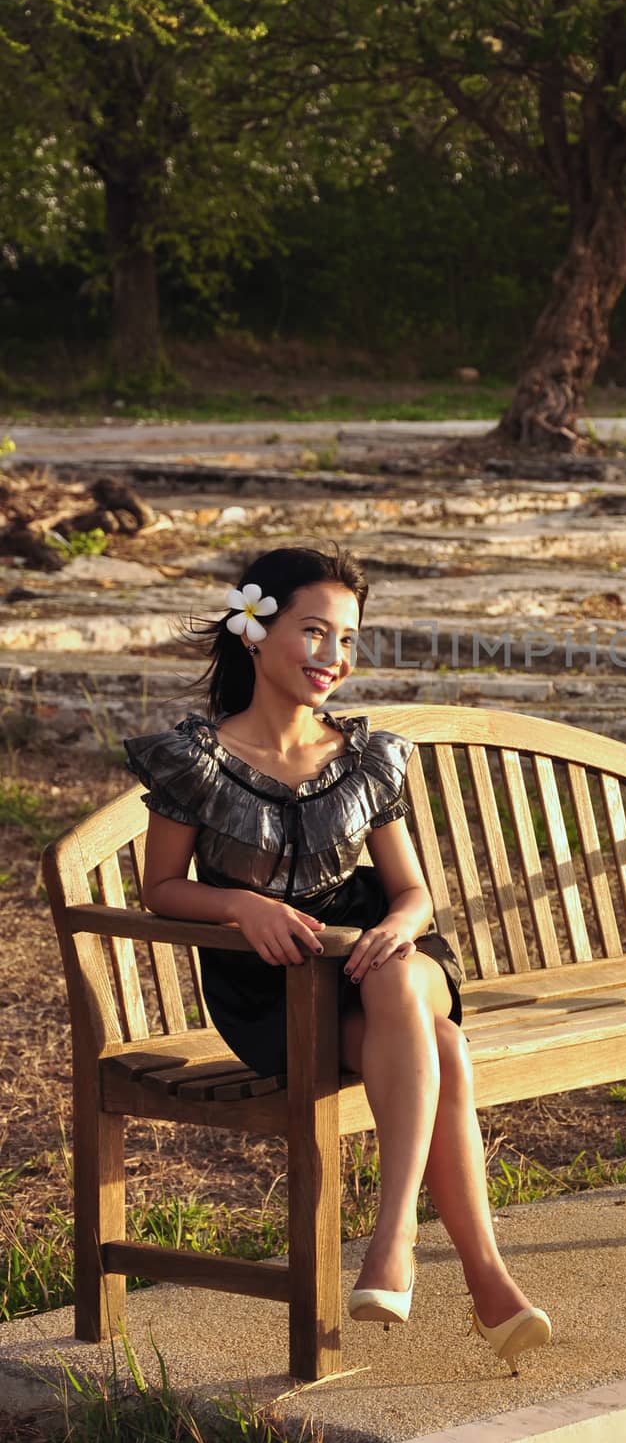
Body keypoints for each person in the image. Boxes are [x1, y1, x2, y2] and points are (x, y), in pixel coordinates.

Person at [124, 545, 550, 1373]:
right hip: (275, 988)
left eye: (347, 639)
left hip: (379, 952)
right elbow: (161, 889)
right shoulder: (195, 759)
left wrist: (401, 926)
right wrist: (241, 903)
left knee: (399, 970)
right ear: (255, 630)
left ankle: (391, 1244)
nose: (333, 657)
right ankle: (485, 1281)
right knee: (447, 1048)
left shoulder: (366, 755)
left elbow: (412, 892)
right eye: (313, 631)